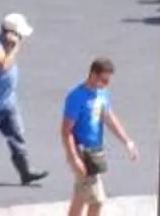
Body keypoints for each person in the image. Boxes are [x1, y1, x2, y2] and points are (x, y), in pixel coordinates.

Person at [59, 56, 139, 216]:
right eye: (103, 80)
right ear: (93, 75)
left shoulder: (103, 94)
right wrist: (73, 157)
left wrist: (127, 142)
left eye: (108, 81)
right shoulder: (76, 97)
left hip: (95, 152)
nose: (106, 84)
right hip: (82, 153)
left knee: (81, 197)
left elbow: (109, 118)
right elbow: (66, 130)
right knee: (97, 200)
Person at [0, 12, 48, 186]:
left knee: (17, 136)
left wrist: (13, 46)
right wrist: (15, 48)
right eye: (19, 35)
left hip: (8, 103)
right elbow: (2, 65)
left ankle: (25, 172)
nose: (21, 38)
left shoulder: (7, 44)